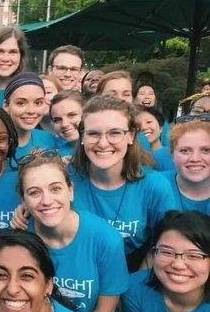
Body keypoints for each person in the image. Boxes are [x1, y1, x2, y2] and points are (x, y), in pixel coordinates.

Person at [17, 149, 129, 312]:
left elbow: (105, 311)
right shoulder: (21, 238)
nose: (47, 200)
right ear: (23, 200)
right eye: (34, 192)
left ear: (71, 191)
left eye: (55, 189)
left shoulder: (105, 239)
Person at [70, 94, 176, 267]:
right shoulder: (65, 180)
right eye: (93, 133)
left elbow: (167, 242)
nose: (103, 143)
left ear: (131, 135)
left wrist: (138, 282)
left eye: (115, 133)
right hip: (80, 271)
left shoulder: (154, 186)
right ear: (82, 136)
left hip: (135, 269)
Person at [2, 72, 55, 162]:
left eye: (38, 103)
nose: (31, 111)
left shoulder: (49, 139)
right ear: (6, 106)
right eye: (21, 103)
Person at [162, 119, 209, 213]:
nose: (195, 159)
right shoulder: (153, 185)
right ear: (172, 155)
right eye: (185, 151)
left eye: (206, 150)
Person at [0, 26, 28, 109]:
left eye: (13, 52)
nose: (5, 58)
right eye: (0, 51)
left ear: (21, 56)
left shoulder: (30, 91)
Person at [135, 105, 174, 170]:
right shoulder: (132, 158)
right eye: (137, 125)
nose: (143, 127)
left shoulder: (172, 154)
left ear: (161, 127)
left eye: (149, 122)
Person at [49, 89, 84, 160]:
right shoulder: (55, 157)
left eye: (72, 115)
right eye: (57, 120)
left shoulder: (105, 148)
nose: (64, 124)